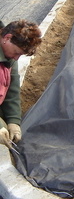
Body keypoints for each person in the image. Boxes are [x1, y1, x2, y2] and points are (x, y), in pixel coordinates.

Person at [0, 20, 42, 148]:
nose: (16, 58)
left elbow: (11, 89)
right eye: (17, 52)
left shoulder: (8, 54)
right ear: (7, 38)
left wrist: (14, 121)